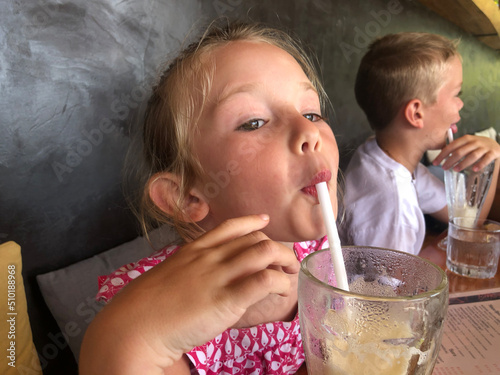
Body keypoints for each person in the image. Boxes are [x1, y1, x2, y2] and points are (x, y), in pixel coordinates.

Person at [79, 20, 340, 375]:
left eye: (311, 113)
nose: (310, 130)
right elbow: (117, 357)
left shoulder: (320, 252)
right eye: (253, 122)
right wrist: (133, 336)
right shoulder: (167, 307)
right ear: (186, 197)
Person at [340, 32, 500, 255]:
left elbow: (467, 224)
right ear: (416, 113)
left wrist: (490, 160)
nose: (461, 104)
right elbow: (387, 289)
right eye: (456, 94)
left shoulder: (380, 155)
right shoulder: (395, 209)